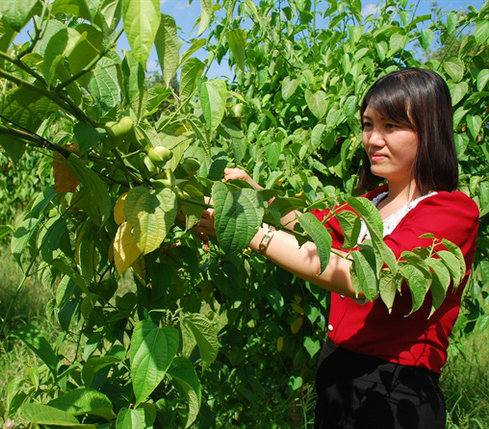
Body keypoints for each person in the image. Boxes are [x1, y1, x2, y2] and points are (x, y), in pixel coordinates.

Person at [192, 68, 479, 428]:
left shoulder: (450, 211)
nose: (373, 139)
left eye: (391, 126)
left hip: (394, 390)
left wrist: (249, 232)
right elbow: (307, 227)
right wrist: (250, 196)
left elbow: (361, 276)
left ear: (430, 129)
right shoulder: (371, 202)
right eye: (368, 124)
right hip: (337, 374)